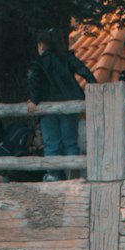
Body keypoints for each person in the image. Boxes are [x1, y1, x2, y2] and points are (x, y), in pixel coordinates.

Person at [26, 28, 96, 180]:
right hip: (69, 104)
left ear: (41, 45)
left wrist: (34, 100)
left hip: (48, 106)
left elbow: (33, 80)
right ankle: (73, 172)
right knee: (70, 141)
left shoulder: (39, 62)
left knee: (51, 143)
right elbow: (83, 69)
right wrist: (93, 84)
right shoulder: (66, 56)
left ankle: (54, 174)